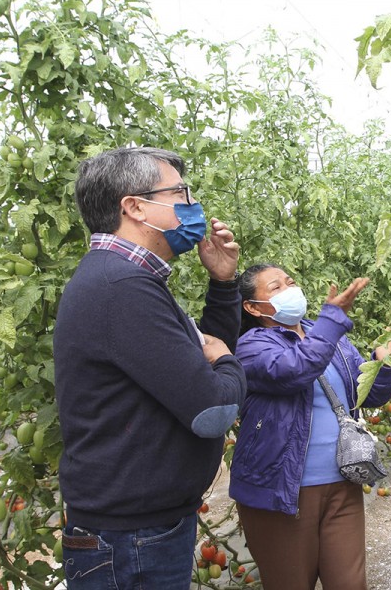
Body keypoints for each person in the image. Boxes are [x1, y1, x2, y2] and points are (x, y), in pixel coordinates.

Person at [53, 147, 247, 589]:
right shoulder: (121, 288)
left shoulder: (122, 278)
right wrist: (229, 362)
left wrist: (222, 284)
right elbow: (212, 409)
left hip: (139, 530)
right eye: (180, 191)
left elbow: (198, 365)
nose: (192, 204)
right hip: (132, 540)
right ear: (135, 207)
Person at [230, 264, 391, 590]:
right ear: (253, 307)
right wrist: (331, 321)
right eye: (276, 287)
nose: (289, 289)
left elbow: (369, 393)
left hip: (343, 485)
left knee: (350, 584)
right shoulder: (251, 345)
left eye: (291, 282)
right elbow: (294, 370)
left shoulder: (329, 338)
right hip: (281, 493)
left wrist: (384, 361)